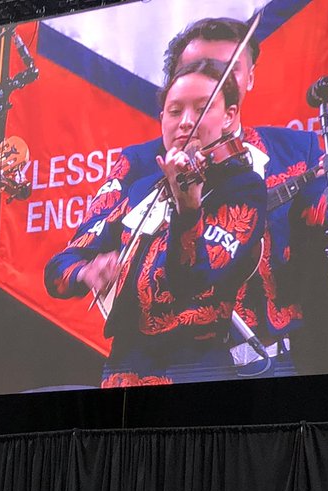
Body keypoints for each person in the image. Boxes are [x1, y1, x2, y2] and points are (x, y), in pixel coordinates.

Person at [69, 18, 328, 377]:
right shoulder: (139, 166)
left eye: (227, 71)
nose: (212, 76)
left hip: (269, 362)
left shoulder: (297, 150)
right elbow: (75, 253)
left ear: (249, 78)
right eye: (197, 68)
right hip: (162, 366)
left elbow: (321, 209)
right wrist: (87, 270)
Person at [45, 60, 266, 386]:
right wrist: (87, 272)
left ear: (229, 116)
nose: (187, 122)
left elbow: (191, 284)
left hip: (197, 373)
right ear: (161, 118)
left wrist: (188, 207)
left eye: (202, 109)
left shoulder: (242, 187)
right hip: (122, 372)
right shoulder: (138, 189)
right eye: (175, 111)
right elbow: (57, 270)